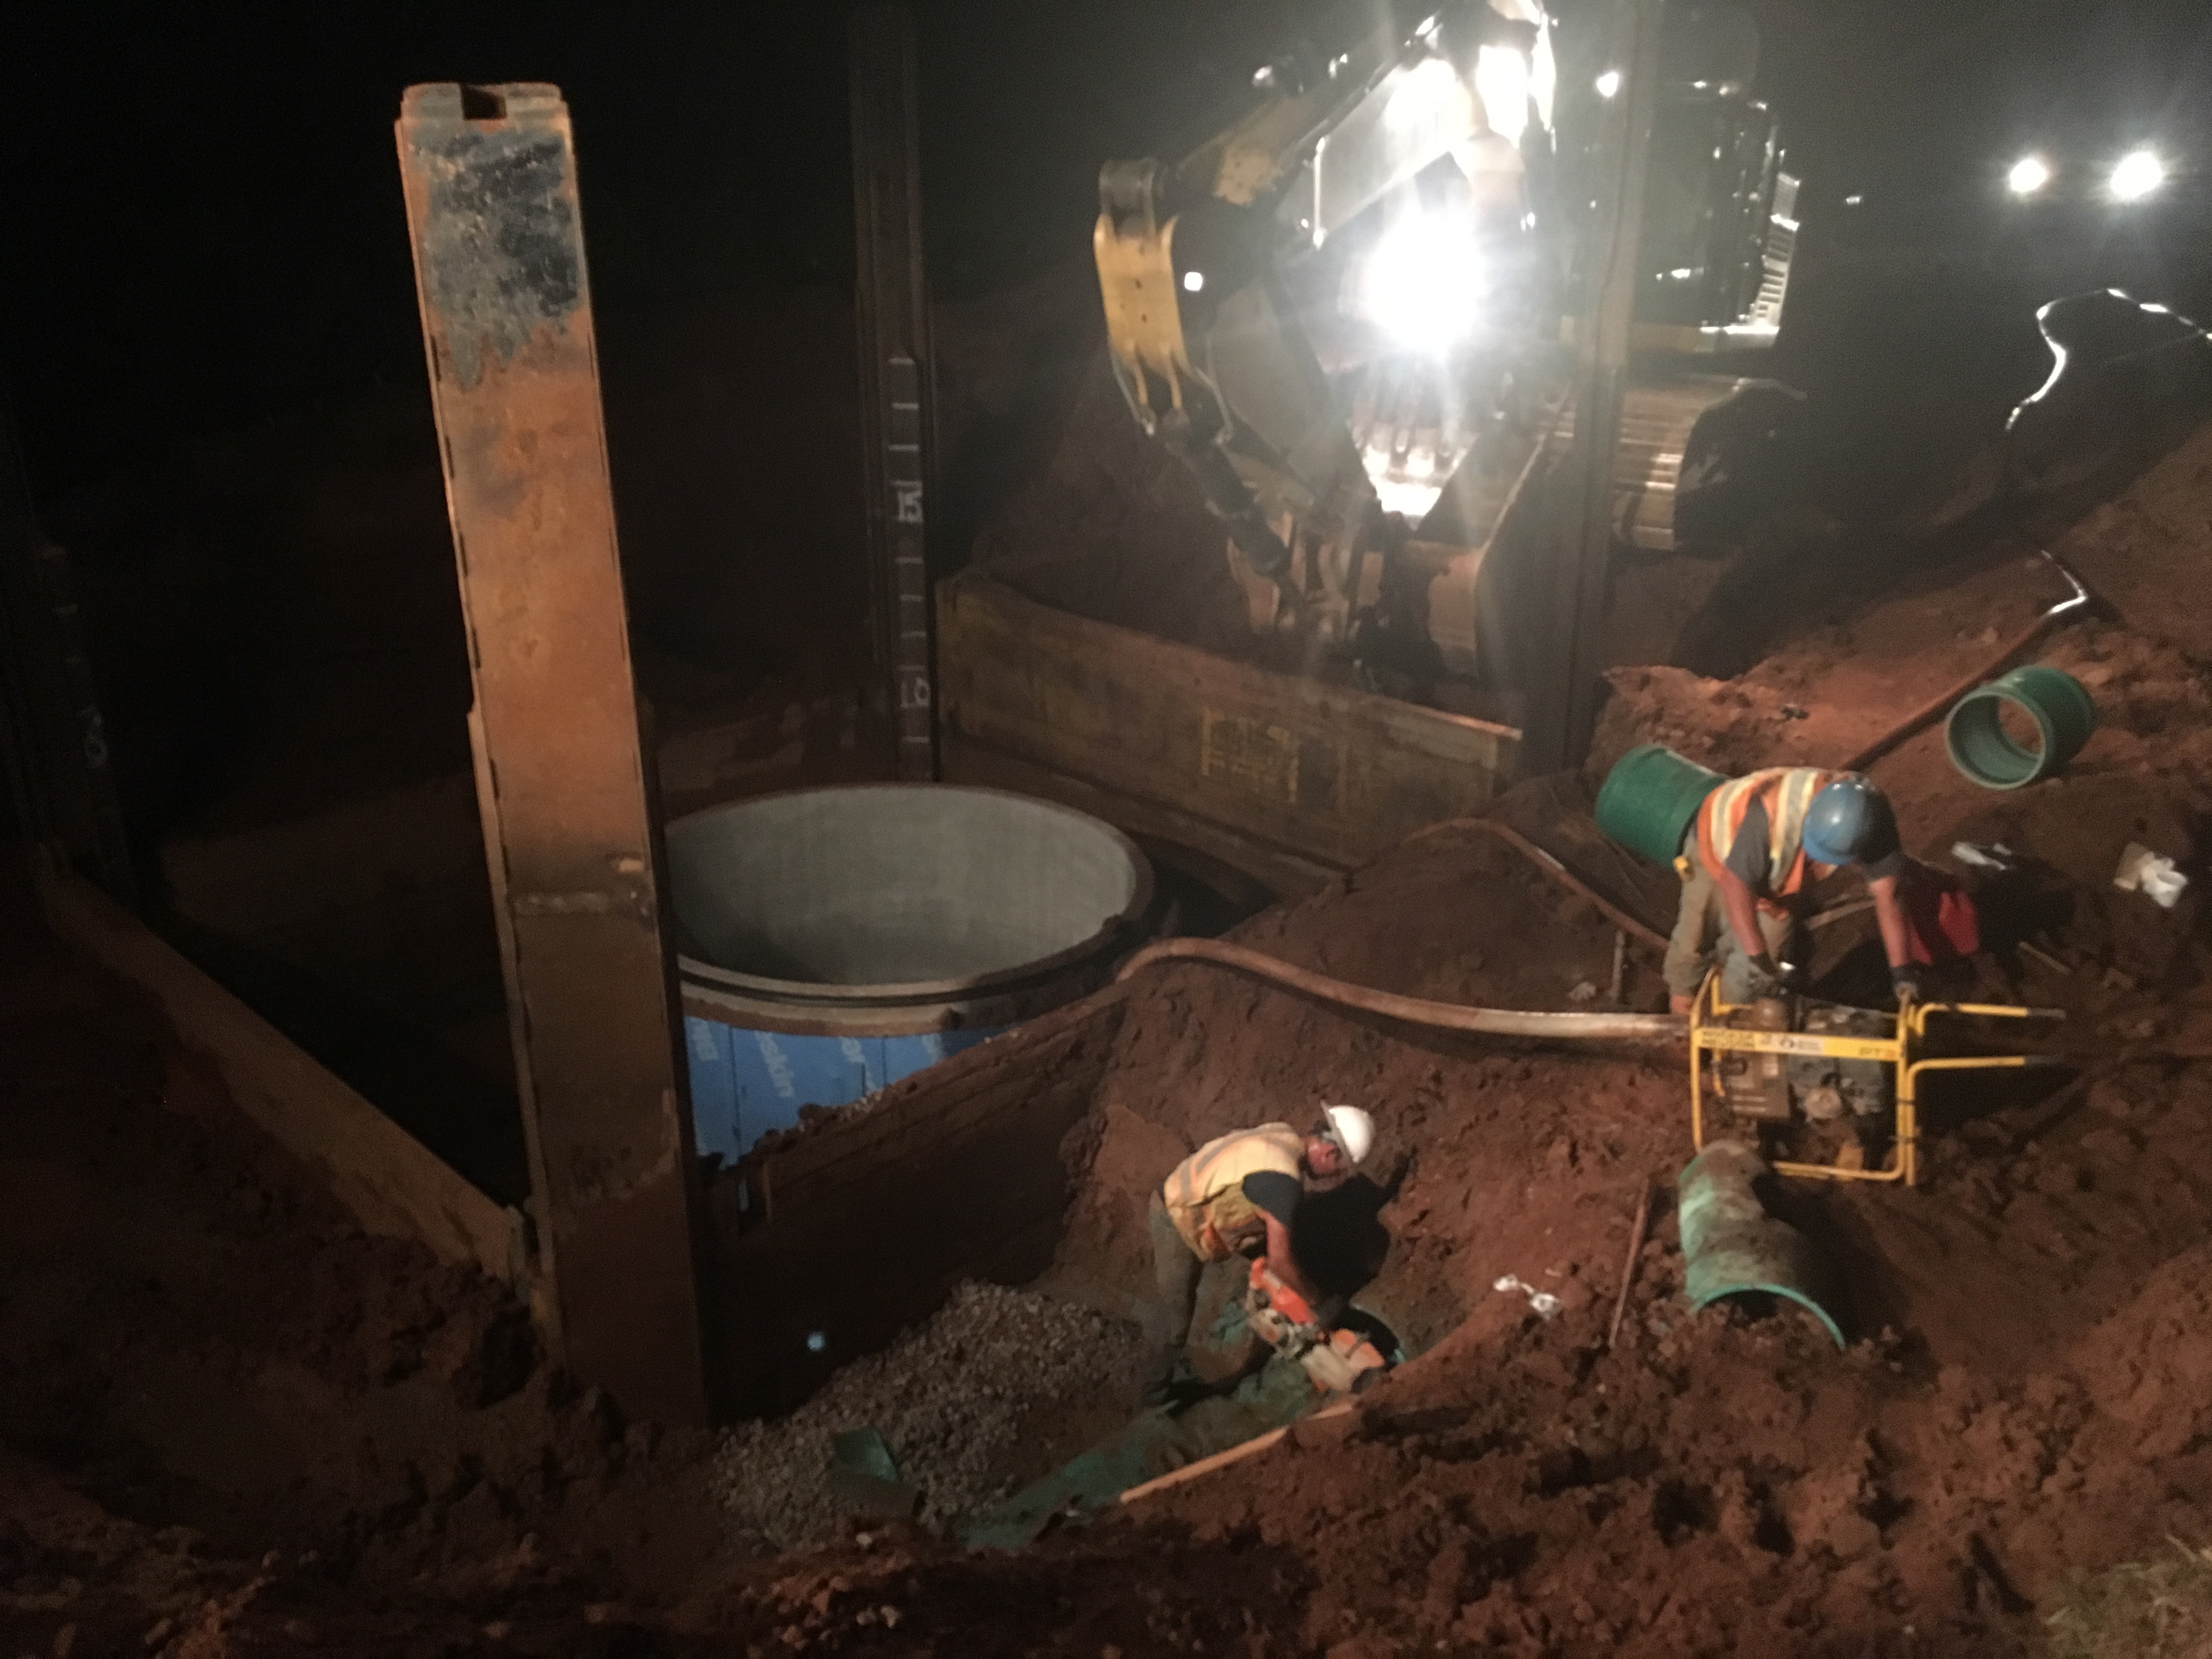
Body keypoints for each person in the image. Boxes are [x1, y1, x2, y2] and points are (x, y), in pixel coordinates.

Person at [1142, 1105, 1375, 1406]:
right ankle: (1153, 1396)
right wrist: (1319, 1303)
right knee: (1175, 1322)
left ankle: (1272, 1312)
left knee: (1289, 1259)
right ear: (1330, 1154)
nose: (1335, 1178)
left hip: (1189, 1193)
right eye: (1339, 1170)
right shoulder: (1282, 1184)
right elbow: (1280, 1261)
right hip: (1176, 1216)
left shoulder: (1281, 1134)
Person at [1663, 769, 1920, 1014]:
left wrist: (1902, 972)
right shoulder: (1772, 814)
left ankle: (1728, 1022)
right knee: (1696, 936)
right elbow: (1735, 885)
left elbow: (1888, 894)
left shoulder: (1873, 818)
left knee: (1766, 957)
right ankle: (1680, 1020)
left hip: (1776, 869)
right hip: (1720, 842)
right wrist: (1757, 955)